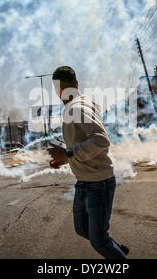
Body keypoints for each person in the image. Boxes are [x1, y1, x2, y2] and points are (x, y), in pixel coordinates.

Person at [47, 65, 129, 259]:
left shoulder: (78, 107)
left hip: (98, 184)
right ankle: (117, 250)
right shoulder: (77, 105)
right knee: (83, 230)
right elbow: (83, 144)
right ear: (76, 83)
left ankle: (116, 255)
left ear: (56, 89)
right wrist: (64, 158)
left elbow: (101, 140)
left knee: (99, 241)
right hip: (84, 183)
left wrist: (67, 154)